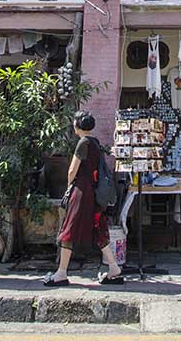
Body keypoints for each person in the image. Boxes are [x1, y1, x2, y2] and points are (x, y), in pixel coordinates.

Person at [43, 111, 123, 287]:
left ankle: (61, 273)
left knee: (68, 229)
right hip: (93, 192)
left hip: (81, 192)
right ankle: (114, 268)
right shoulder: (94, 143)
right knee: (98, 229)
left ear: (77, 125)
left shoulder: (83, 143)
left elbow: (72, 170)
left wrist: (69, 186)